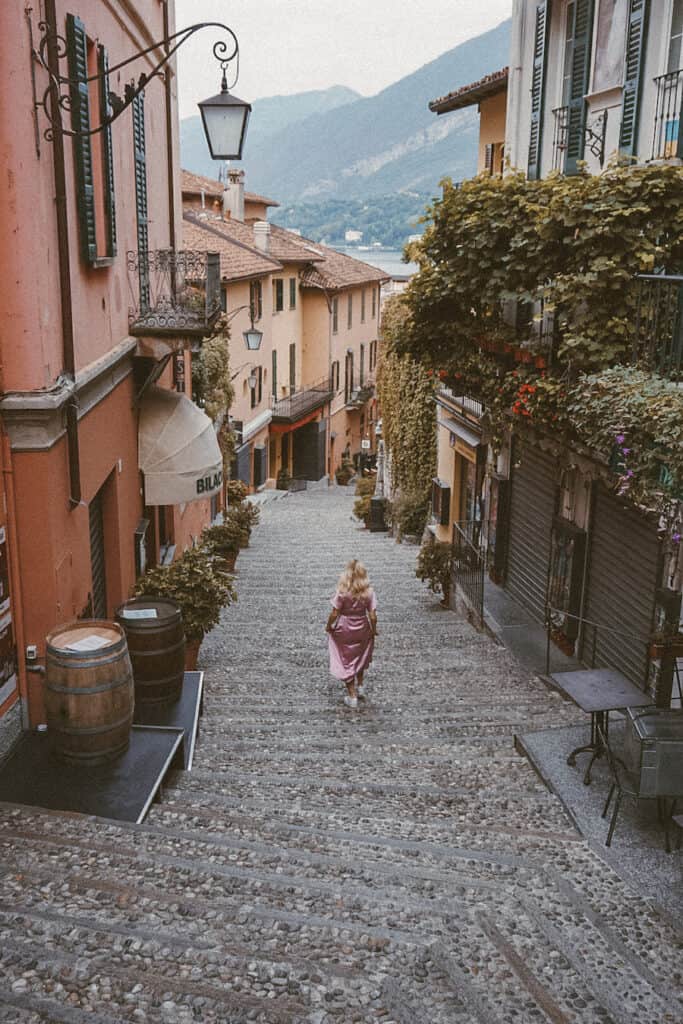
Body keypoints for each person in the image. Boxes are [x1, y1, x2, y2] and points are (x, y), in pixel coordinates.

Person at [326, 559, 378, 709]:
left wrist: (329, 626)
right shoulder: (369, 592)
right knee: (360, 654)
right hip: (362, 626)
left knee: (345, 659)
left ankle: (352, 695)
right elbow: (373, 616)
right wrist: (373, 630)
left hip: (345, 627)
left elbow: (335, 613)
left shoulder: (342, 592)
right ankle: (360, 686)